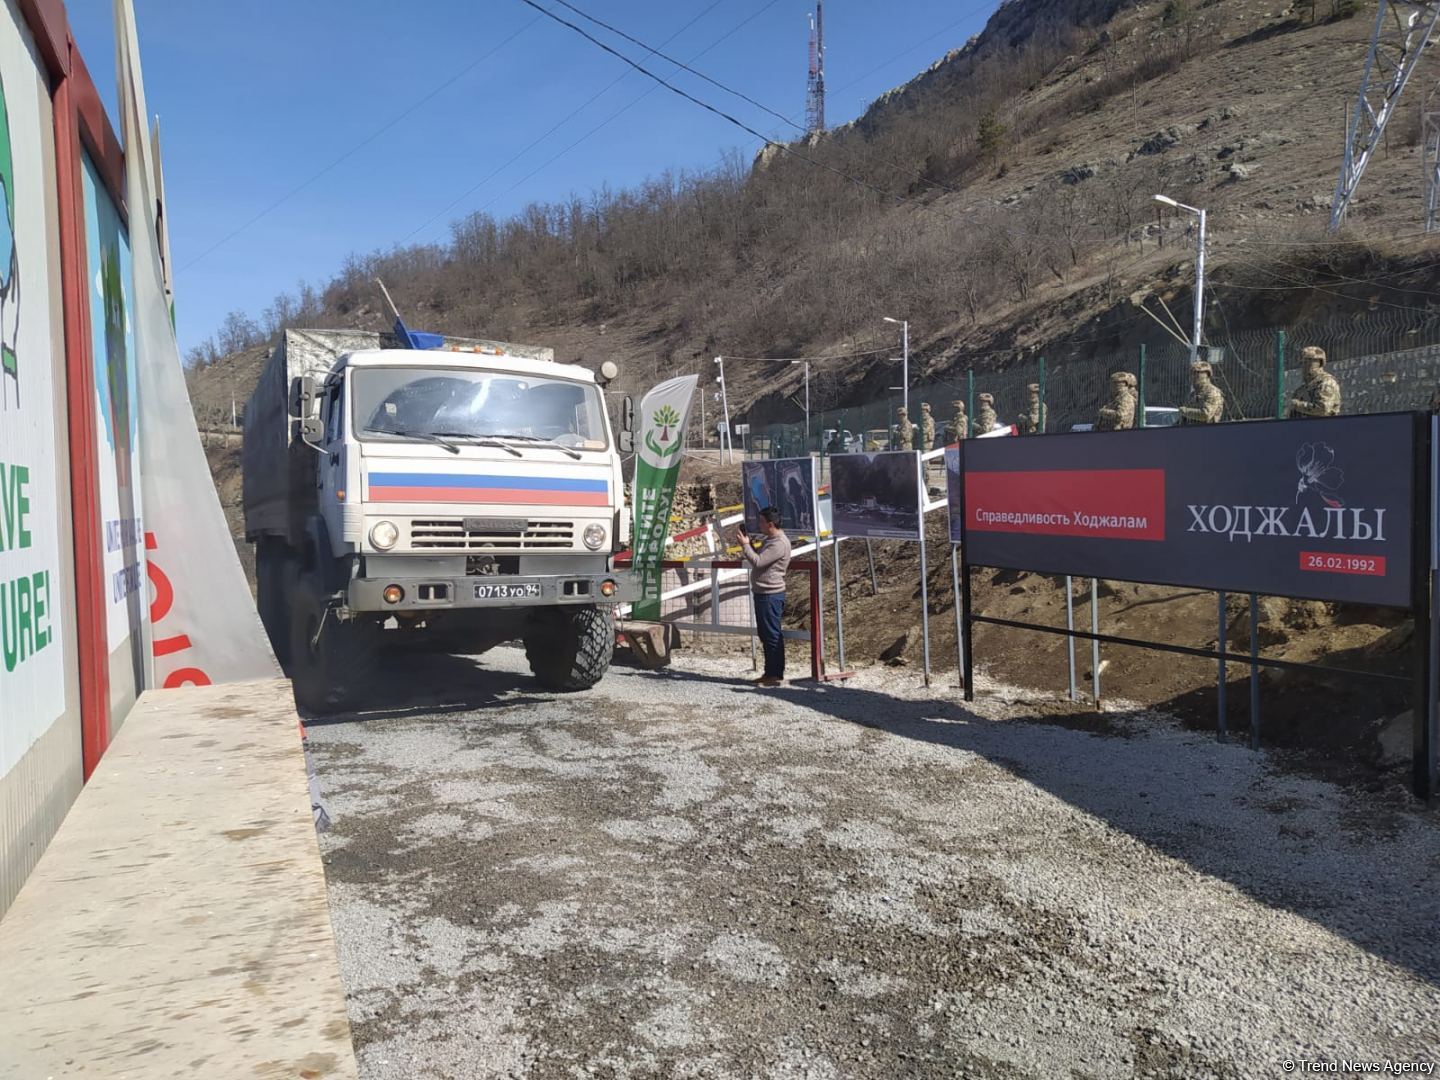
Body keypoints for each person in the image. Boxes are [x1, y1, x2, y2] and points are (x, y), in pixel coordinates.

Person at [737, 507, 792, 687]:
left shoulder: (779, 543)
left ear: (770, 524)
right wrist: (750, 545)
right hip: (764, 592)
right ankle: (770, 672)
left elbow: (758, 562)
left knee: (772, 635)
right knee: (766, 634)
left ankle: (775, 674)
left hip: (770, 594)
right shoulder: (771, 540)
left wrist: (745, 545)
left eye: (761, 522)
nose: (758, 526)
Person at [1289, 345, 1341, 419]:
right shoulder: (1302, 389)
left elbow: (1323, 409)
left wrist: (1297, 405)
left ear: (1319, 362)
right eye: (1304, 362)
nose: (1305, 365)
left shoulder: (1327, 382)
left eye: (1310, 361)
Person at [1178, 360, 1224, 424]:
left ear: (1207, 374)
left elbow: (1206, 414)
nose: (1193, 376)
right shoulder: (1193, 394)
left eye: (1197, 373)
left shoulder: (1213, 392)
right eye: (1192, 373)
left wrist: (1184, 411)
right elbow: (1184, 417)